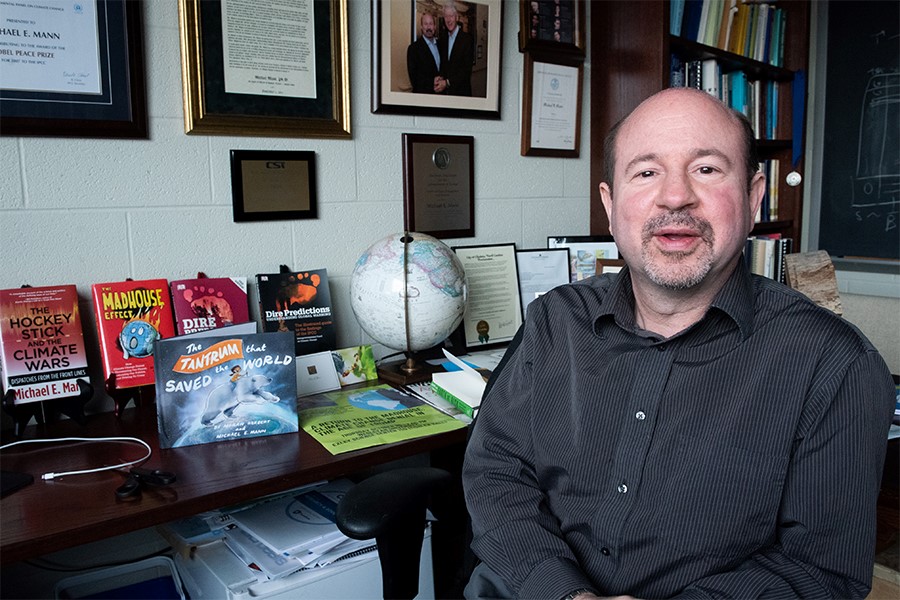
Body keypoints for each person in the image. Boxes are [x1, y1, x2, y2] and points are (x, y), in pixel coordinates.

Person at [462, 88, 895, 599]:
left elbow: (820, 572)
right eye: (646, 172)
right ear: (610, 204)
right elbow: (495, 473)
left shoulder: (834, 365)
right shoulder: (555, 321)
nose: (674, 197)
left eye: (707, 169)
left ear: (754, 198)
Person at [435, 4, 474, 96]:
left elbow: (466, 70)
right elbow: (443, 65)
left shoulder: (467, 40)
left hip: (461, 93)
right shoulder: (442, 40)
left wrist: (447, 82)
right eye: (446, 16)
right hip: (445, 95)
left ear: (457, 18)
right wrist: (439, 78)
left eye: (451, 16)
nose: (448, 20)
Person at [406, 11, 441, 94]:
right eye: (425, 24)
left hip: (441, 97)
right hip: (424, 96)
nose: (428, 27)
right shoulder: (413, 49)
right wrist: (432, 82)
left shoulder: (441, 46)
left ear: (435, 27)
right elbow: (414, 79)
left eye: (431, 24)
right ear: (421, 27)